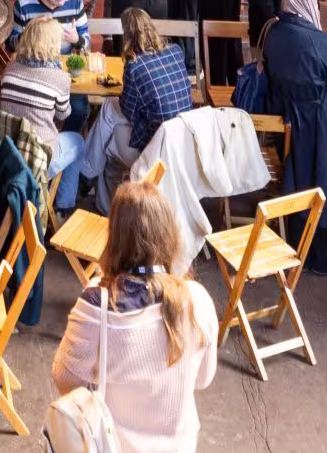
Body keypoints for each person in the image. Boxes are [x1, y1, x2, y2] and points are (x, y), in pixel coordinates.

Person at [52, 181, 220, 453]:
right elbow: (203, 379)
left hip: (113, 445)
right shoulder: (198, 299)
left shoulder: (97, 304)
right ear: (168, 233)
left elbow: (65, 377)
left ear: (114, 237)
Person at [244, 0, 327, 273]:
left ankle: (295, 249)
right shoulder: (321, 41)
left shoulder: (273, 32)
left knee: (295, 181)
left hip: (286, 120)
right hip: (320, 122)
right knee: (326, 185)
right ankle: (325, 259)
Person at [0, 18, 80, 208]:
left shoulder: (9, 69)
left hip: (10, 156)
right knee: (79, 141)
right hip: (39, 159)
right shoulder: (60, 78)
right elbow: (63, 115)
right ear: (52, 44)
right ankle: (63, 206)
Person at [113, 9, 193, 168]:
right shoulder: (176, 50)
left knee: (109, 126)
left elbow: (128, 113)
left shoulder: (134, 66)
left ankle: (87, 170)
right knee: (108, 125)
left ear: (126, 35)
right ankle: (89, 169)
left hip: (155, 149)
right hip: (183, 140)